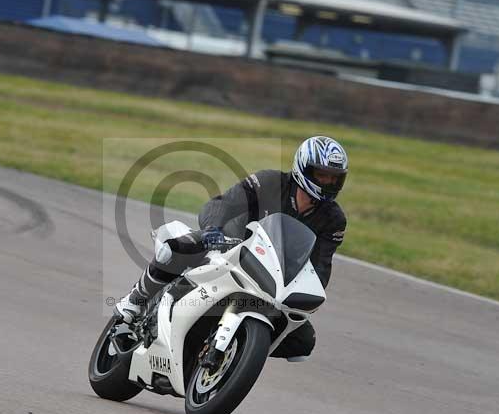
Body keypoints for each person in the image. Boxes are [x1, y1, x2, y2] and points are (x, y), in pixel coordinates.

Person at [113, 136, 348, 362]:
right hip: (229, 248)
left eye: (334, 178)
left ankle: (239, 349)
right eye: (322, 175)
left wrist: (306, 297)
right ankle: (135, 301)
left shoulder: (334, 220)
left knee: (303, 341)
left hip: (272, 280)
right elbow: (224, 203)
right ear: (303, 168)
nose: (328, 182)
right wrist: (213, 229)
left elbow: (320, 267)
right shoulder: (269, 182)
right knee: (175, 249)